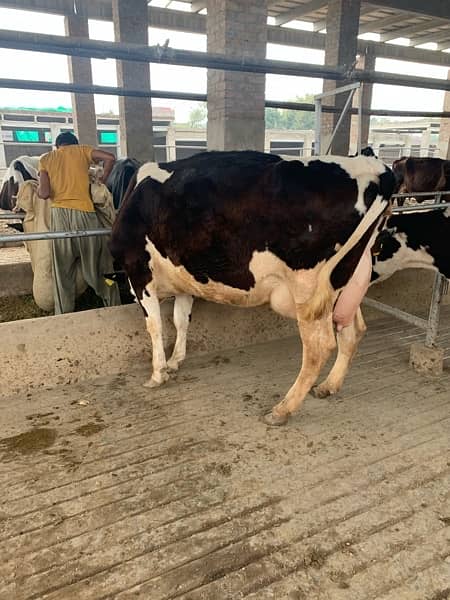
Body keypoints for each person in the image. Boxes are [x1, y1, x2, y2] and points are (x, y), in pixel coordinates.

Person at [38, 131, 121, 314]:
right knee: (98, 266)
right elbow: (110, 157)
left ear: (58, 146)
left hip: (59, 217)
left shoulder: (46, 159)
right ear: (74, 143)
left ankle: (64, 315)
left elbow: (43, 193)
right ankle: (114, 305)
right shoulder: (82, 151)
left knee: (62, 272)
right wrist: (104, 178)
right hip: (85, 215)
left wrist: (39, 189)